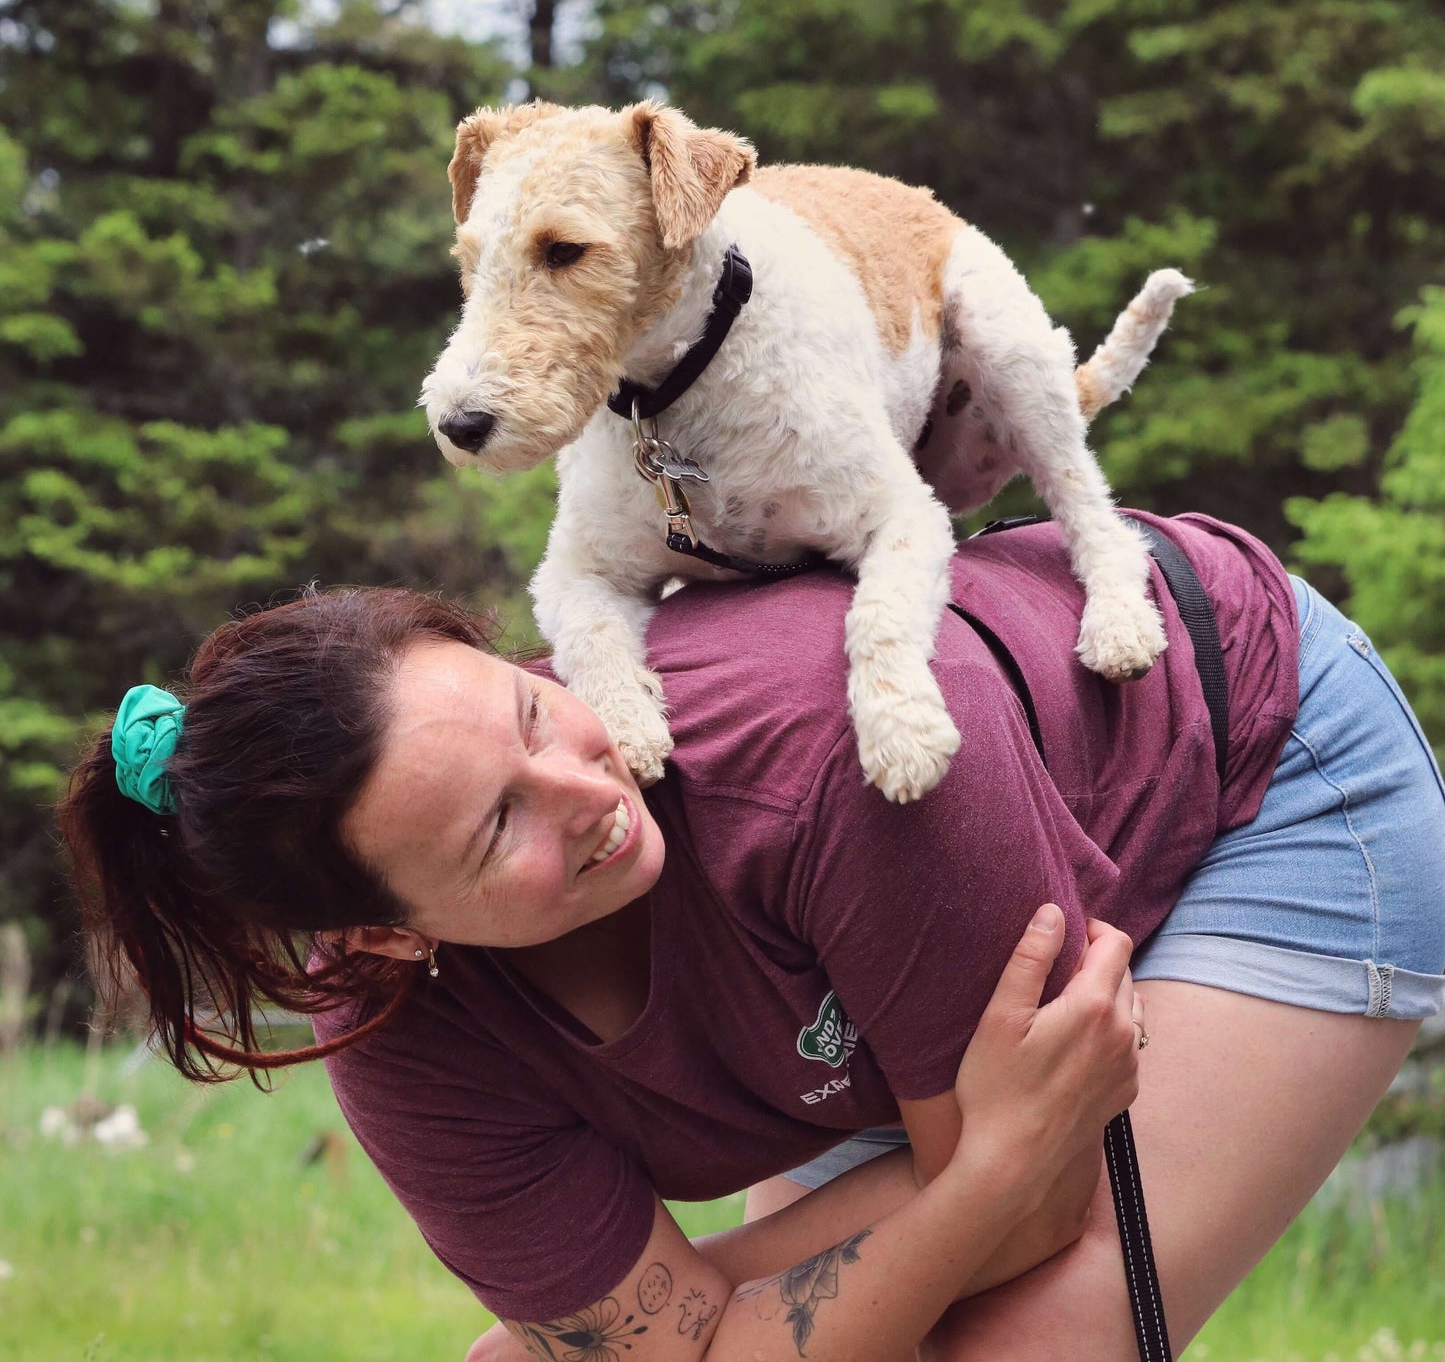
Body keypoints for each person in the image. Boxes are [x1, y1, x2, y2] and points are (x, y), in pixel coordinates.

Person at [61, 511, 1445, 1362]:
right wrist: (979, 1169)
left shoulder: (843, 756)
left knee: (1029, 1339)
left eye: (534, 712)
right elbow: (979, 1192)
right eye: (496, 831)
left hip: (1247, 766)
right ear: (384, 931)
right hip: (879, 964)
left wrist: (696, 1312)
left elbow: (1026, 1225)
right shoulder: (406, 1042)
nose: (592, 794)